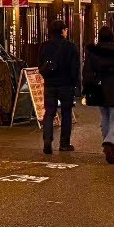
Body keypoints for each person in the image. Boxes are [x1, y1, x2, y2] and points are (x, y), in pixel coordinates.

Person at [84, 26, 114, 164]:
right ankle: (110, 143)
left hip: (98, 88)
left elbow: (87, 72)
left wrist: (88, 87)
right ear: (112, 37)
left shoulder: (93, 53)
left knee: (104, 116)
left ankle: (107, 142)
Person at [38, 20, 79, 155]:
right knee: (66, 113)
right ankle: (64, 144)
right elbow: (75, 68)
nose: (66, 32)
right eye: (65, 29)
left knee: (49, 112)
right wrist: (75, 84)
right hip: (66, 85)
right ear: (62, 31)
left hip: (50, 84)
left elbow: (40, 65)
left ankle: (47, 140)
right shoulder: (71, 47)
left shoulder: (44, 46)